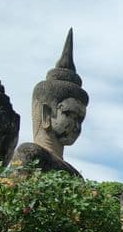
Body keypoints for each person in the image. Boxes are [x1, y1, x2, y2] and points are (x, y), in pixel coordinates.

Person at [12, 28, 88, 176]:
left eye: (80, 119)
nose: (76, 125)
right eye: (69, 114)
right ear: (46, 115)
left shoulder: (75, 175)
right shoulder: (29, 154)